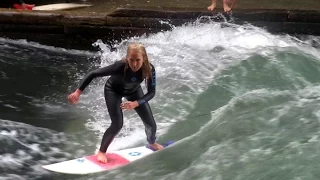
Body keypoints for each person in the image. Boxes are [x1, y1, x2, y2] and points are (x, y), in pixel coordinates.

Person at [68, 43, 164, 163]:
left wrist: (135, 103)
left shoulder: (149, 69)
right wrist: (78, 92)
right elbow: (93, 74)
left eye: (138, 60)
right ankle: (101, 152)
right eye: (131, 60)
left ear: (144, 58)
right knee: (117, 124)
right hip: (113, 91)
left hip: (134, 92)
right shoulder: (119, 66)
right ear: (127, 58)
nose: (134, 64)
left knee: (151, 124)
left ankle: (152, 142)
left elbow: (152, 92)